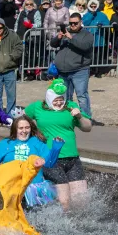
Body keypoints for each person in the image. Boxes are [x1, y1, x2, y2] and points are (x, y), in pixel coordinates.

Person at [25, 79, 92, 210]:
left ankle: (78, 223)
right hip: (51, 159)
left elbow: (88, 127)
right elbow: (21, 121)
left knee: (81, 201)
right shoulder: (37, 107)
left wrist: (79, 116)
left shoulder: (71, 106)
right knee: (64, 202)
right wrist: (32, 136)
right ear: (49, 98)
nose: (59, 102)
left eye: (61, 99)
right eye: (56, 100)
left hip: (72, 159)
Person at [0, 115, 64, 208]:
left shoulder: (37, 143)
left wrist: (56, 148)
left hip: (33, 190)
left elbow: (49, 163)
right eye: (21, 128)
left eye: (27, 127)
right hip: (10, 187)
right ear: (15, 129)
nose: (24, 131)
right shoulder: (5, 144)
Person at [50, 13, 94, 117]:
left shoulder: (87, 35)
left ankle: (86, 118)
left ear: (81, 22)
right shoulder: (66, 32)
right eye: (71, 23)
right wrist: (58, 37)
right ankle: (67, 118)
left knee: (82, 96)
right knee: (65, 97)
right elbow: (53, 44)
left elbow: (85, 46)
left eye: (75, 23)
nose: (73, 25)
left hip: (79, 70)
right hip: (63, 71)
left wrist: (71, 38)